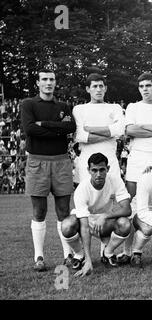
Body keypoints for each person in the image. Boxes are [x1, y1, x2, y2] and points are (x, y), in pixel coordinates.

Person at [20, 69, 76, 271]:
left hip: (61, 161)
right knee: (39, 211)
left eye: (52, 79)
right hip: (37, 161)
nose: (48, 83)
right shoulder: (28, 104)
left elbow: (70, 129)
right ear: (38, 82)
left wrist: (44, 124)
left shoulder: (63, 106)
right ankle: (39, 257)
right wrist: (57, 129)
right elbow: (29, 129)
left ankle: (68, 256)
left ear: (55, 82)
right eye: (44, 79)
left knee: (63, 211)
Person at [118, 72, 152, 265]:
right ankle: (127, 251)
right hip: (136, 159)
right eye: (141, 86)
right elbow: (129, 130)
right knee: (132, 206)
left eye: (148, 86)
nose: (145, 90)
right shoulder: (133, 107)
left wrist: (142, 127)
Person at [60, 153, 132, 276]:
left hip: (105, 222)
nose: (98, 174)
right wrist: (89, 260)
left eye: (102, 170)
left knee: (125, 224)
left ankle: (107, 253)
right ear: (89, 170)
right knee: (67, 225)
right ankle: (79, 255)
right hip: (85, 221)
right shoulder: (82, 189)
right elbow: (84, 226)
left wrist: (105, 216)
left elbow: (127, 209)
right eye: (94, 170)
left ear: (107, 169)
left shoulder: (115, 180)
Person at [73, 73, 125, 183]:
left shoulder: (115, 108)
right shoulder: (79, 109)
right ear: (88, 89)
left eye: (101, 86)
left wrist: (90, 129)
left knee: (111, 196)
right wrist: (110, 134)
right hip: (87, 160)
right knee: (88, 197)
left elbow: (119, 130)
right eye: (95, 86)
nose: (98, 90)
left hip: (110, 159)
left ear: (105, 88)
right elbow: (81, 136)